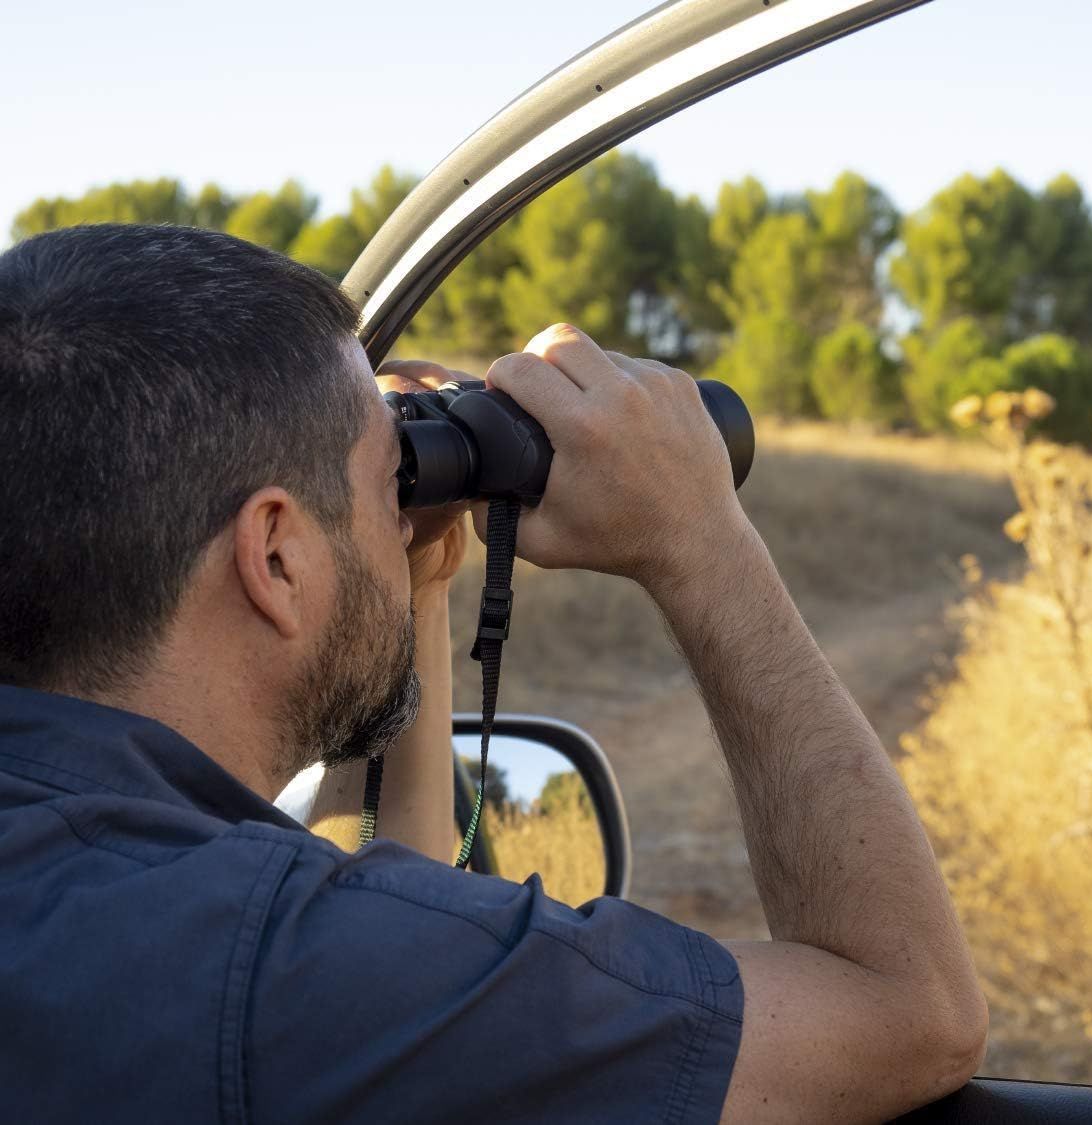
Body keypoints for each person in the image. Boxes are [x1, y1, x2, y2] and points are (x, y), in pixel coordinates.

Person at [0, 223, 986, 1123]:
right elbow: (909, 1011)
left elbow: (370, 958)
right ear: (278, 557)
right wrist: (701, 543)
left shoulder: (140, 920)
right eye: (395, 483)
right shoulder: (274, 976)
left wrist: (411, 592)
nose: (412, 509)